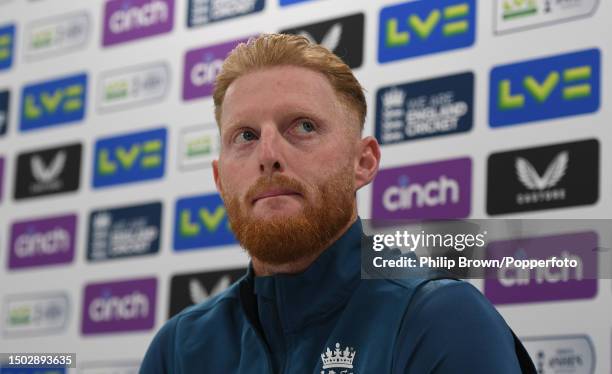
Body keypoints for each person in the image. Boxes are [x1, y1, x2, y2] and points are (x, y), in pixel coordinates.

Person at [139, 33, 536, 373]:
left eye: (303, 126)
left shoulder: (439, 318)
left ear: (363, 163)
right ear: (219, 179)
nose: (268, 154)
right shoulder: (178, 348)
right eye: (245, 136)